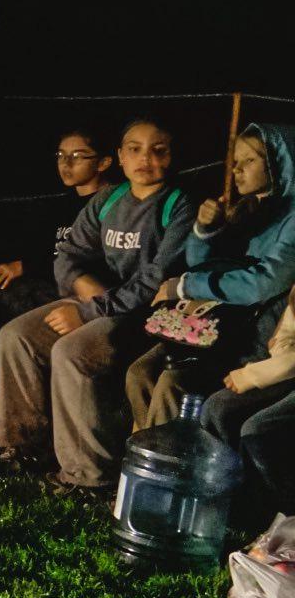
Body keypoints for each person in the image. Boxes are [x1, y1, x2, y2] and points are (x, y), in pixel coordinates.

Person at [0, 119, 191, 489]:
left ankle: (86, 474)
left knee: (73, 352)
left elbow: (155, 279)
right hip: (102, 301)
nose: (145, 159)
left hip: (145, 314)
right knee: (16, 337)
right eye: (134, 149)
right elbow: (67, 254)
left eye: (158, 150)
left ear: (172, 156)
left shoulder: (178, 205)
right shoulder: (110, 199)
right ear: (119, 156)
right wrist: (82, 285)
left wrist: (89, 311)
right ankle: (24, 447)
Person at [0, 128, 114, 431]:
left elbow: (93, 260)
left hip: (80, 291)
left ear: (104, 162)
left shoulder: (112, 203)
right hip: (51, 283)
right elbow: (46, 249)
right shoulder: (64, 203)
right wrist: (24, 264)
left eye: (77, 156)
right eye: (60, 155)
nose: (66, 164)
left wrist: (25, 265)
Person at [126, 123, 295, 428]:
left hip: (252, 334)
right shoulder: (246, 209)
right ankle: (144, 448)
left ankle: (169, 454)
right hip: (218, 321)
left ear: (279, 162)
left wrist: (186, 287)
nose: (236, 170)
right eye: (235, 162)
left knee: (173, 383)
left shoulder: (291, 218)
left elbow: (263, 283)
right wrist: (205, 231)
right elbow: (202, 264)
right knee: (140, 372)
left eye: (249, 160)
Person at [201, 284, 295, 518]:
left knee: (258, 429)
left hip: (283, 370)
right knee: (218, 407)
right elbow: (286, 334)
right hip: (287, 369)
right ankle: (222, 503)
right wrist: (280, 363)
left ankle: (281, 516)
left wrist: (254, 375)